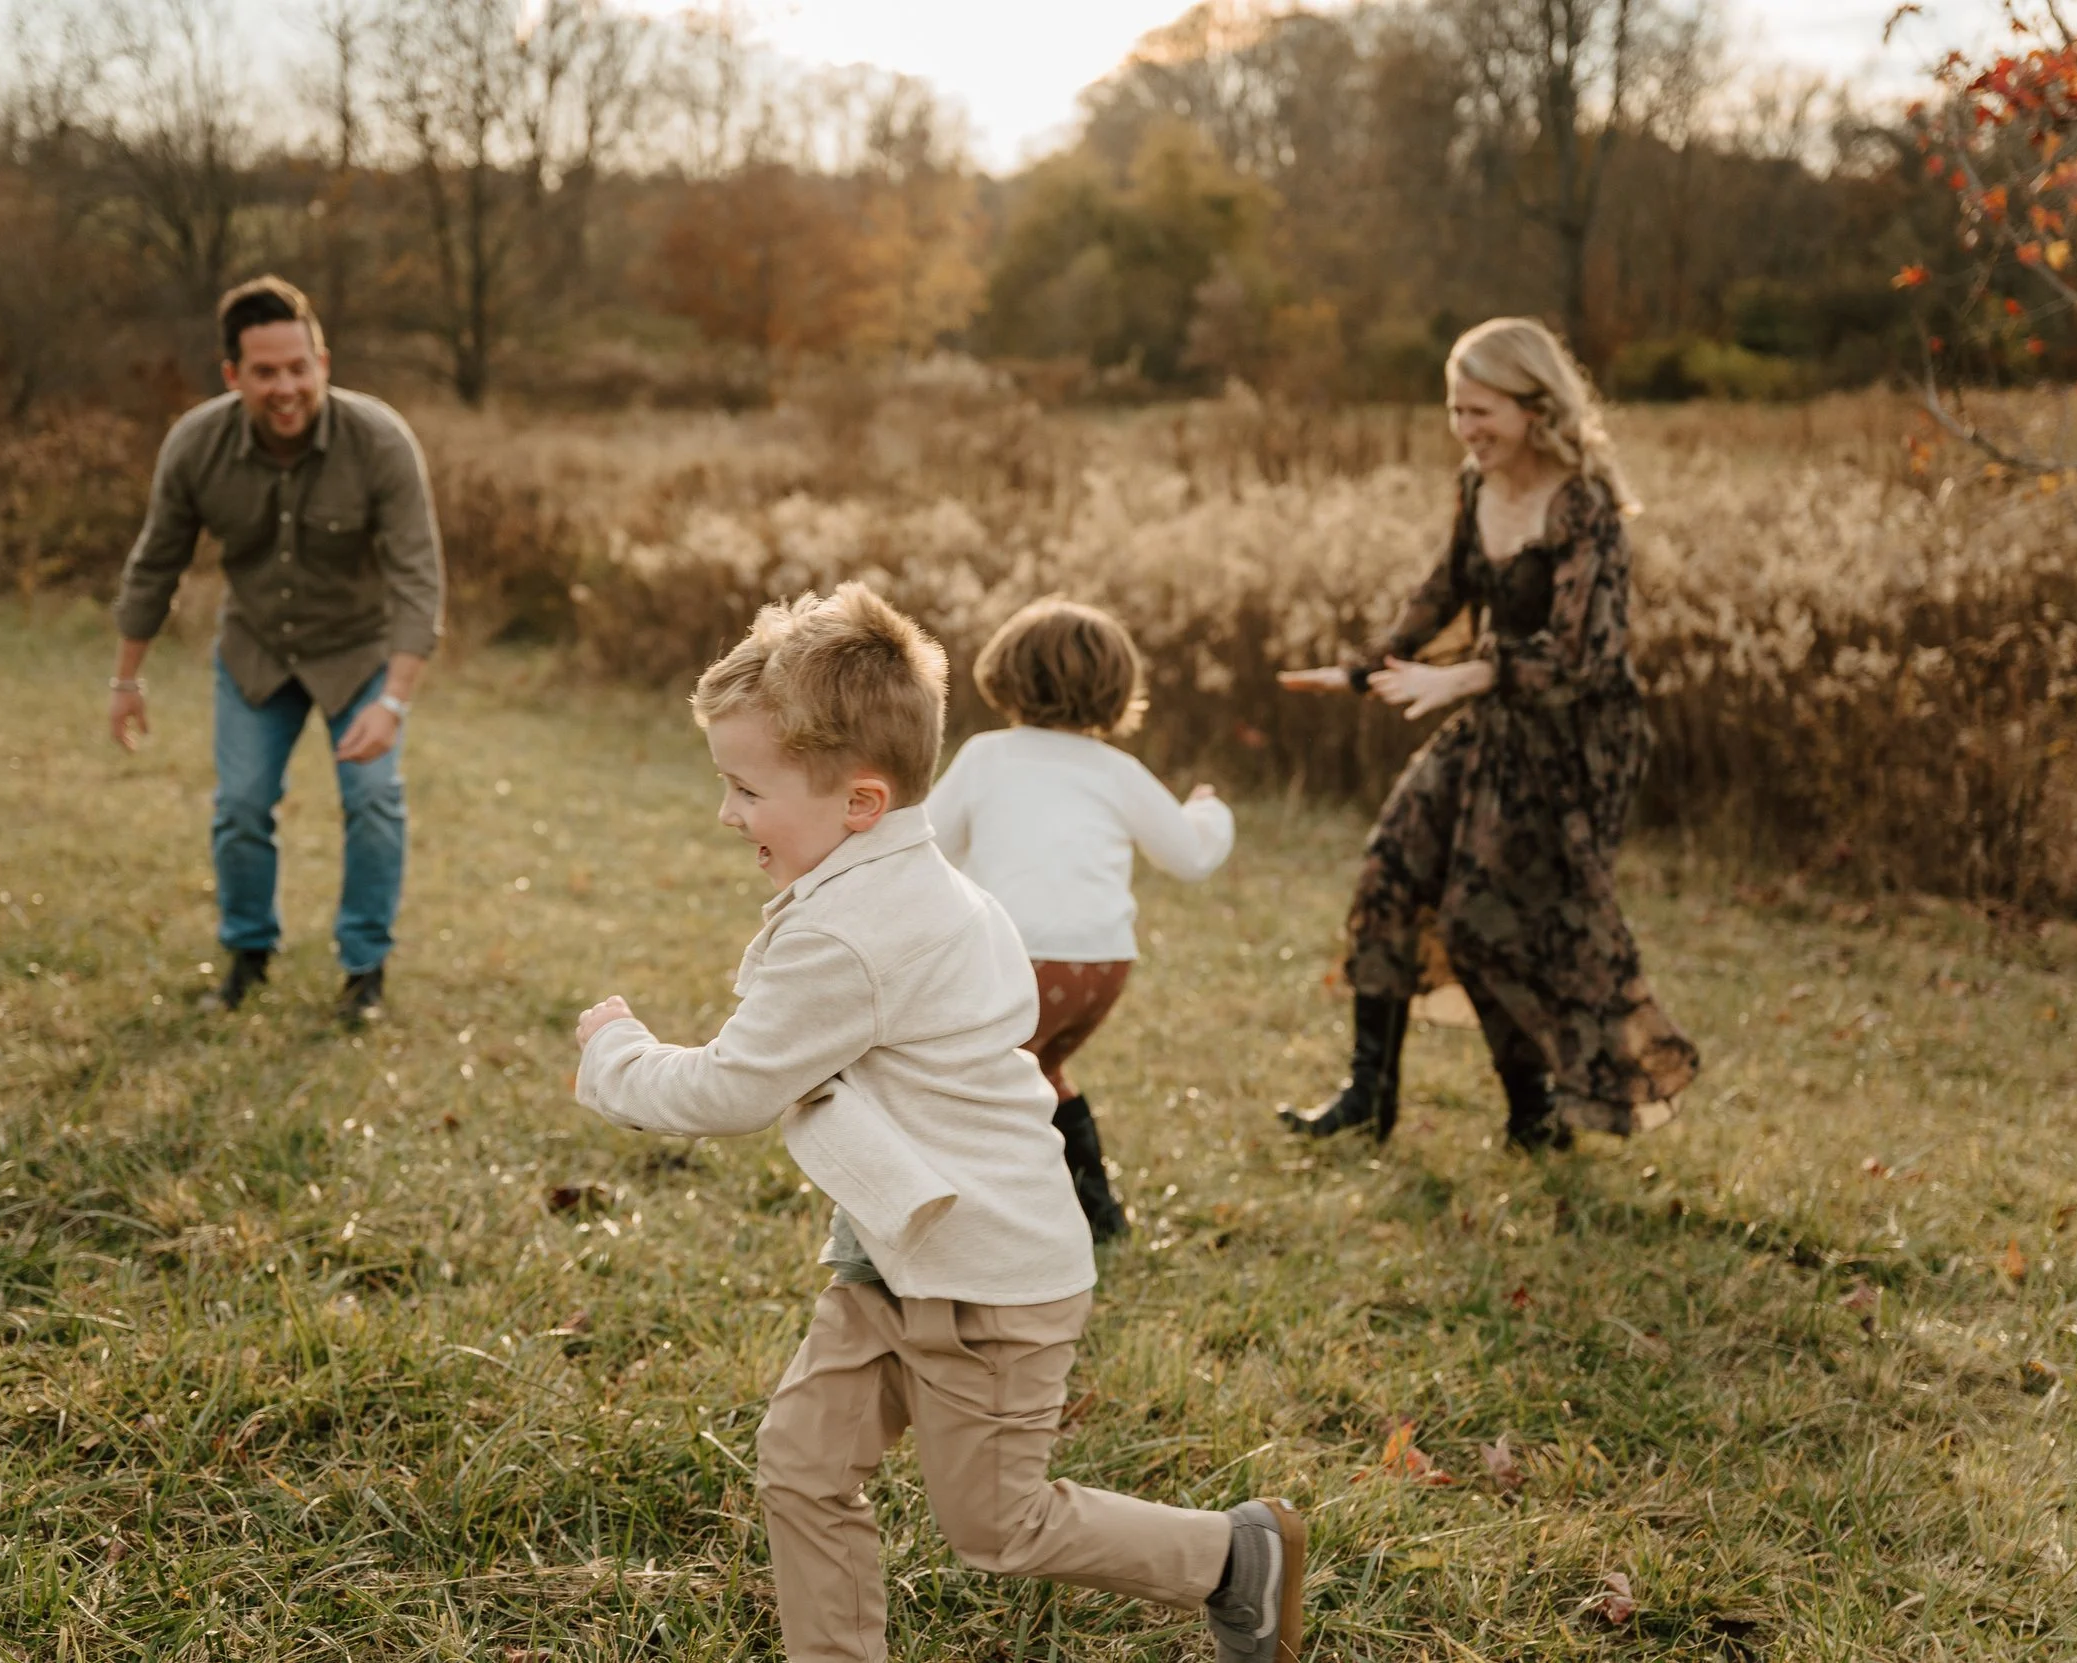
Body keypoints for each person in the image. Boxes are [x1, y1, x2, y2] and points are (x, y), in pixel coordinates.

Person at [572, 585, 1305, 1663]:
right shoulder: (910, 881)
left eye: (743, 787)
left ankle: (1232, 1558)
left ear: (861, 800)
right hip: (889, 1259)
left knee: (996, 1525)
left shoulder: (861, 929)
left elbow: (730, 1089)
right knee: (803, 1463)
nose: (726, 813)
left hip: (990, 1282)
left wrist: (614, 1050)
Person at [1278, 317, 1697, 1149]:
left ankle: (1536, 1113)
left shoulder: (1586, 507)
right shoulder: (1477, 485)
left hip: (1579, 742)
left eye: (1483, 412)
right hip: (1498, 723)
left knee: (1484, 918)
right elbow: (1447, 589)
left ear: (1537, 406)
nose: (1468, 430)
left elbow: (1587, 655)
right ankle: (1370, 1097)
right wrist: (1370, 666)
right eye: (1456, 411)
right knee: (1390, 868)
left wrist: (1466, 675)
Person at [106, 275, 444, 1024]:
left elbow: (419, 580)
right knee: (241, 807)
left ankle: (364, 972)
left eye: (300, 367)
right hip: (255, 654)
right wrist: (125, 679)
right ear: (233, 375)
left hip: (359, 657)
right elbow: (155, 562)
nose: (286, 386)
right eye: (266, 371)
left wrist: (393, 700)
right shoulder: (197, 443)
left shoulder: (379, 440)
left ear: (322, 360)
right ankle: (248, 954)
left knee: (374, 802)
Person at [926, 597, 1234, 1241]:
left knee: (969, 1082)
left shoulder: (986, 757)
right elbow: (1191, 856)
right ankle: (1098, 1213)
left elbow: (927, 848)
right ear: (1117, 690)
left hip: (1016, 959)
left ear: (1005, 673)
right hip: (1101, 966)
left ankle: (981, 1213)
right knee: (1037, 1071)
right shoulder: (1117, 771)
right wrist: (1208, 811)